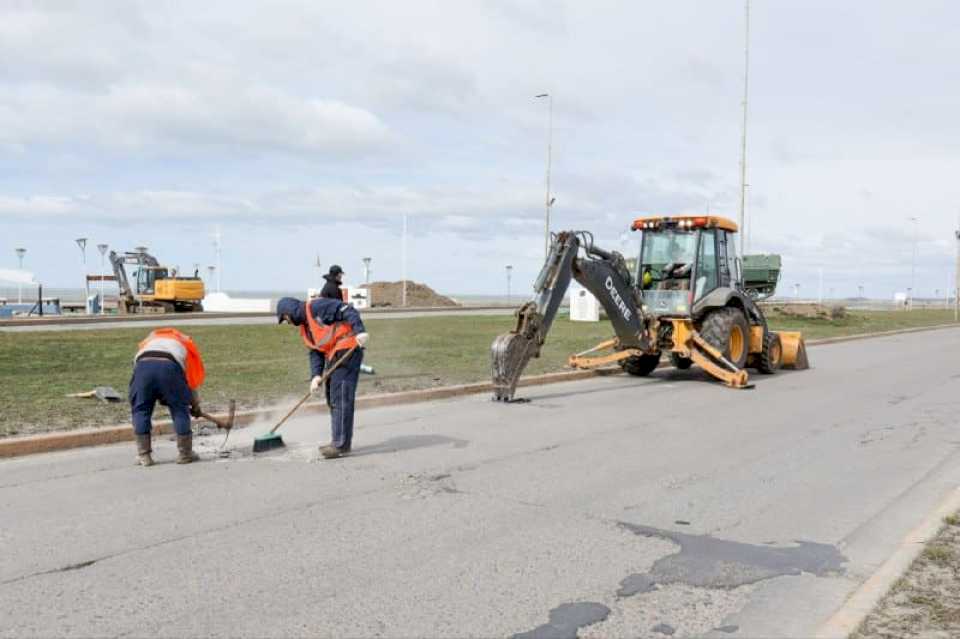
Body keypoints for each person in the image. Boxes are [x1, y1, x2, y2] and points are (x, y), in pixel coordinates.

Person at [276, 296, 369, 458]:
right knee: (331, 398)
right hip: (334, 354)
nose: (287, 322)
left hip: (348, 347)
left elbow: (346, 309)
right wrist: (316, 376)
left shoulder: (316, 307)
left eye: (285, 318)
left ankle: (340, 445)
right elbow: (315, 352)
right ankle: (338, 440)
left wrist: (359, 331)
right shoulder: (306, 329)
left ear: (289, 311)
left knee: (340, 396)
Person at [129, 327, 205, 466]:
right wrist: (194, 404)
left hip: (142, 367)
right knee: (179, 409)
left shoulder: (149, 341)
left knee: (141, 409)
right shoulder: (185, 345)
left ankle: (144, 456)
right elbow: (190, 382)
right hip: (170, 367)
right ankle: (185, 454)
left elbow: (136, 374)